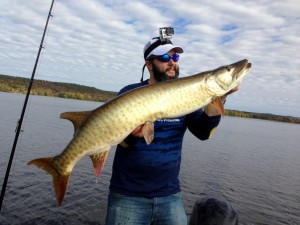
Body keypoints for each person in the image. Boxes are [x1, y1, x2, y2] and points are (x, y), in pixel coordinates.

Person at [105, 35, 238, 225]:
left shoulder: (187, 96)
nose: (172, 63)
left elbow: (203, 132)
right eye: (165, 58)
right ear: (149, 65)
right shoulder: (129, 92)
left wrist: (220, 98)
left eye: (175, 58)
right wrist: (131, 136)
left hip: (169, 195)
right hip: (128, 195)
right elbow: (118, 139)